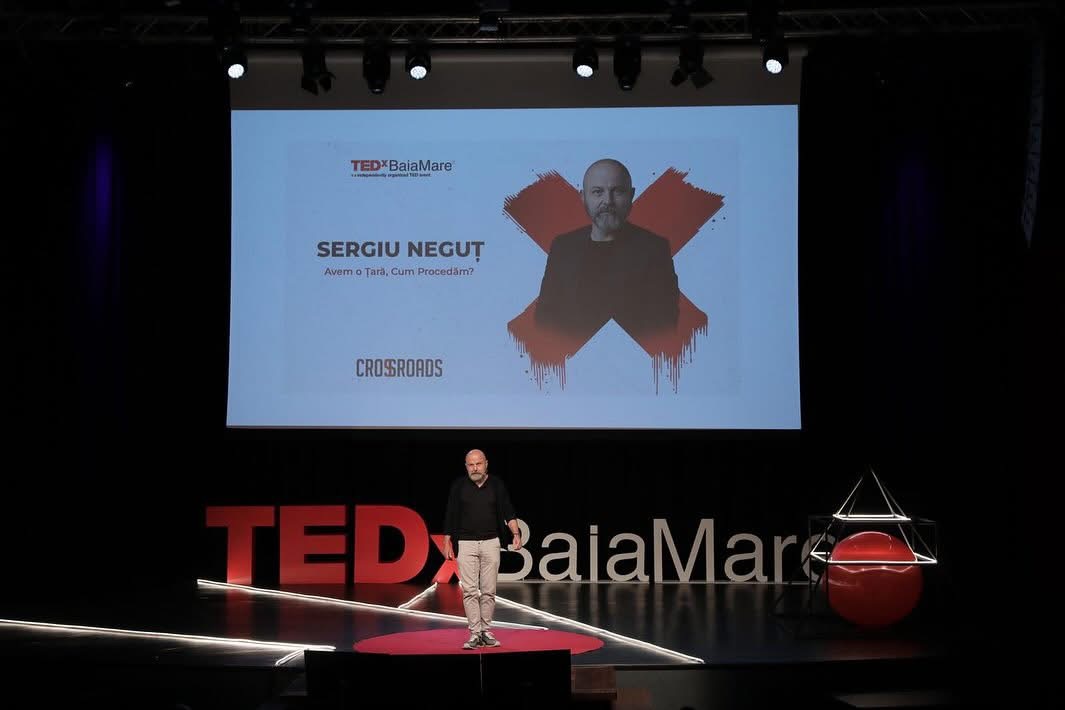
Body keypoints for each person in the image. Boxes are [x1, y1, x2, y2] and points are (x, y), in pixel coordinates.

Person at [535, 158, 680, 338]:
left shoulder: (655, 249)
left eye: (617, 191)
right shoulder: (562, 247)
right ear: (583, 198)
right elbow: (544, 319)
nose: (608, 201)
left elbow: (664, 324)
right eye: (598, 192)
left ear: (631, 195)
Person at [443, 449, 522, 650]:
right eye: (471, 465)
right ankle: (474, 633)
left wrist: (516, 533)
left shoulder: (496, 484)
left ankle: (486, 631)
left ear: (486, 464)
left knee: (488, 591)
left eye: (478, 464)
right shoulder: (459, 486)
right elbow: (450, 514)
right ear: (466, 466)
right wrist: (447, 541)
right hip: (466, 543)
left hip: (491, 543)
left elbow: (508, 511)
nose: (475, 468)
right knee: (470, 591)